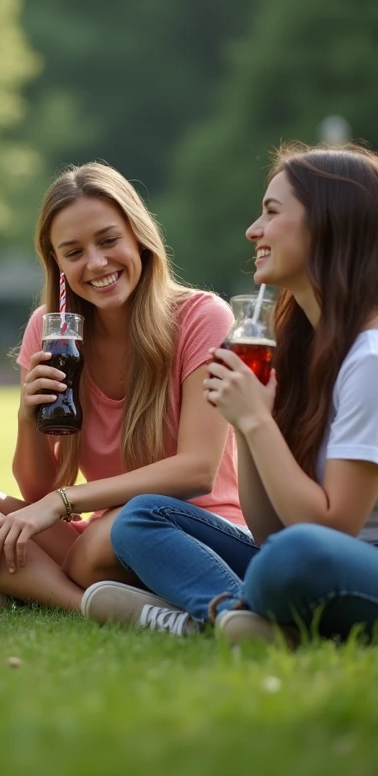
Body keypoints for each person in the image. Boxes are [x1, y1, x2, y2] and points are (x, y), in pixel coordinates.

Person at [0, 163, 245, 618]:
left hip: (196, 526)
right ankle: (97, 607)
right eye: (73, 252)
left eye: (108, 241)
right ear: (57, 262)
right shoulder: (51, 332)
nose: (96, 264)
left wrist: (65, 502)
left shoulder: (202, 317)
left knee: (107, 536)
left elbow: (198, 470)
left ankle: (40, 586)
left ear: (138, 236)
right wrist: (28, 418)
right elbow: (37, 489)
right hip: (99, 531)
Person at [87, 144, 378, 645]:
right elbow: (268, 531)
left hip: (340, 562)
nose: (253, 231)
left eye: (271, 212)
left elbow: (331, 532)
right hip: (303, 554)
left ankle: (219, 612)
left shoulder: (370, 359)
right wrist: (246, 425)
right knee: (140, 515)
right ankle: (234, 616)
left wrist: (258, 422)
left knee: (294, 556)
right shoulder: (302, 350)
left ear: (328, 224)